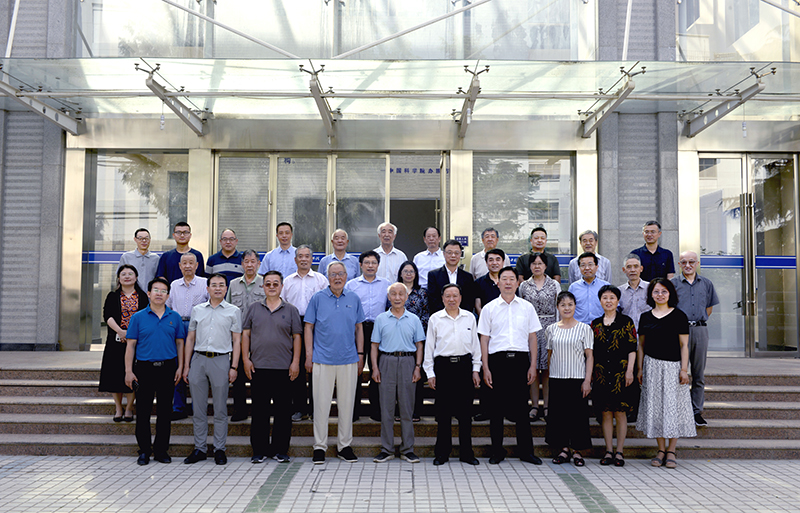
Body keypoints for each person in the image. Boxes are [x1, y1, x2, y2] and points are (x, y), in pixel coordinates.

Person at [478, 266, 543, 465]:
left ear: (517, 283)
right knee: (496, 409)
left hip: (521, 361)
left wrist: (533, 365)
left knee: (522, 409)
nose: (507, 282)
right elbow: (484, 339)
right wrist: (485, 367)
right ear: (498, 283)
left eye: (511, 279)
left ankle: (526, 452)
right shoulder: (489, 308)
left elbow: (532, 338)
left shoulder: (526, 307)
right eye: (504, 279)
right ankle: (497, 451)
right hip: (497, 361)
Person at [304, 261, 365, 464]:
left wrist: (360, 354)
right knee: (321, 405)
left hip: (348, 358)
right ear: (327, 277)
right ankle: (319, 446)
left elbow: (359, 328)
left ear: (346, 276)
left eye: (340, 274)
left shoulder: (354, 298)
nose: (337, 277)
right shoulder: (318, 298)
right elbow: (308, 327)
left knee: (347, 405)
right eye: (333, 274)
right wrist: (309, 355)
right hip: (322, 359)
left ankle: (344, 446)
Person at [124, 277, 186, 466]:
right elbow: (130, 345)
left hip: (168, 368)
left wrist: (180, 367)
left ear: (168, 295)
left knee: (165, 412)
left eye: (163, 291)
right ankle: (144, 450)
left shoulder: (174, 317)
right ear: (149, 293)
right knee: (143, 412)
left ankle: (161, 450)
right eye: (156, 290)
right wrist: (128, 371)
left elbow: (180, 344)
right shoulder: (138, 317)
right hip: (144, 369)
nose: (159, 294)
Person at [182, 273, 242, 466]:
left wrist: (234, 366)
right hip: (198, 360)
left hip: (221, 360)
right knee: (198, 409)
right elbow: (190, 338)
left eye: (221, 285)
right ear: (207, 289)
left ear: (226, 289)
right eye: (214, 285)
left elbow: (237, 340)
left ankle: (219, 449)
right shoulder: (197, 310)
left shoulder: (233, 311)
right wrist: (186, 365)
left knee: (220, 408)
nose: (218, 288)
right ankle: (199, 448)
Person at [242, 271, 302, 464]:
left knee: (283, 412)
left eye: (276, 283)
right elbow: (245, 335)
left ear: (282, 286)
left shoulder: (291, 310)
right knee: (259, 411)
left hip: (284, 368)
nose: (272, 287)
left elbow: (297, 337)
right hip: (258, 367)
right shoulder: (253, 308)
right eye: (268, 283)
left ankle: (280, 450)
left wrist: (295, 362)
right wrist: (245, 359)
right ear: (263, 287)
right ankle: (259, 450)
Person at [636, 278, 696, 469]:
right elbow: (641, 345)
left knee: (672, 407)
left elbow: (684, 345)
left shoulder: (679, 316)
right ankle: (660, 449)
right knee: (656, 408)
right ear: (651, 294)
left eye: (664, 291)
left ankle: (671, 450)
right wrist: (640, 369)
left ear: (670, 294)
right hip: (651, 366)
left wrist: (684, 370)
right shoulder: (645, 317)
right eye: (656, 291)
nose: (660, 295)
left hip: (673, 367)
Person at [424, 283, 481, 466]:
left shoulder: (469, 318)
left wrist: (476, 369)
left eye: (455, 295)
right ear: (442, 298)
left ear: (461, 298)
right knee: (443, 413)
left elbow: (475, 346)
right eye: (448, 296)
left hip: (464, 367)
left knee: (465, 414)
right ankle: (442, 453)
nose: (451, 299)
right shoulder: (435, 319)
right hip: (443, 368)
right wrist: (430, 373)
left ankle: (466, 453)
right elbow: (429, 347)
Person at [371, 283, 426, 463]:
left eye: (401, 294)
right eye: (393, 294)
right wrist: (375, 368)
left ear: (406, 297)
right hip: (386, 361)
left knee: (407, 408)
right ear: (388, 297)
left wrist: (417, 367)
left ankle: (407, 449)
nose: (397, 297)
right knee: (386, 408)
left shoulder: (414, 319)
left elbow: (419, 345)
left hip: (408, 362)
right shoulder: (381, 319)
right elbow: (374, 345)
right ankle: (386, 449)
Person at [590, 285, 637, 467]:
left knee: (620, 413)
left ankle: (619, 451)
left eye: (612, 298)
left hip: (621, 374)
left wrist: (630, 370)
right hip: (601, 374)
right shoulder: (595, 324)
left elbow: (632, 348)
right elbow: (591, 352)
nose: (608, 301)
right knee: (605, 413)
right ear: (600, 301)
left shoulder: (626, 322)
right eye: (605, 298)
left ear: (618, 301)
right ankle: (609, 450)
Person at [545, 291, 593, 467]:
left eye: (570, 304)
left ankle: (578, 451)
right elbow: (550, 355)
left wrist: (587, 380)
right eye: (563, 305)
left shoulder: (584, 329)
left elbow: (589, 356)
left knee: (578, 417)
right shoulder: (551, 329)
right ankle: (563, 449)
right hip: (557, 378)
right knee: (559, 416)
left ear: (575, 306)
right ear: (557, 307)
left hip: (577, 378)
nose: (567, 308)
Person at [671, 251, 719, 427]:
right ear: (679, 264)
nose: (688, 265)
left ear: (697, 263)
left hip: (699, 331)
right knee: (678, 372)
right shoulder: (673, 284)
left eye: (691, 262)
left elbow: (709, 308)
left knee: (698, 374)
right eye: (684, 262)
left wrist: (696, 321)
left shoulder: (706, 283)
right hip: (678, 332)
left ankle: (696, 411)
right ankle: (679, 410)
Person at [282, 245, 329, 422]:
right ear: (295, 260)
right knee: (297, 368)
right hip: (293, 326)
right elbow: (283, 304)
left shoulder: (321, 280)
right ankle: (299, 408)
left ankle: (317, 409)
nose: (303, 259)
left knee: (317, 368)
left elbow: (327, 303)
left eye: (307, 256)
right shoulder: (288, 281)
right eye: (300, 256)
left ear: (312, 259)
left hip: (317, 326)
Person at [99, 264, 149, 422]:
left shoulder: (143, 296)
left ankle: (129, 408)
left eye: (130, 273)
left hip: (137, 342)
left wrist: (133, 334)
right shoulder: (112, 296)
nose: (127, 276)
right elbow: (107, 315)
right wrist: (120, 331)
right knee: (115, 374)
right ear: (119, 278)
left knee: (134, 374)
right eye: (123, 274)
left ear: (136, 277)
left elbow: (146, 317)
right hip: (116, 340)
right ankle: (118, 408)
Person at [345, 251, 390, 420]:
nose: (370, 266)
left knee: (376, 369)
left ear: (378, 265)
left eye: (374, 263)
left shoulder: (386, 284)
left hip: (379, 329)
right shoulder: (351, 285)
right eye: (367, 263)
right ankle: (353, 411)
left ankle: (376, 410)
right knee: (354, 369)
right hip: (357, 329)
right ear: (360, 265)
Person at [165, 253, 209, 420]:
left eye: (191, 263)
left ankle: (198, 406)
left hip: (198, 327)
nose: (188, 266)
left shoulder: (205, 283)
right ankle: (179, 407)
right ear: (180, 266)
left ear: (197, 265)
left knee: (197, 367)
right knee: (178, 365)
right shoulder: (174, 285)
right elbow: (168, 307)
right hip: (177, 326)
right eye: (185, 263)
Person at [518, 252, 560, 422]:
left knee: (548, 370)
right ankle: (535, 406)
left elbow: (558, 309)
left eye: (540, 263)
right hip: (530, 331)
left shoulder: (554, 284)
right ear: (529, 266)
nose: (537, 266)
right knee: (533, 369)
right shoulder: (524, 286)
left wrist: (557, 330)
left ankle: (548, 406)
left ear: (545, 266)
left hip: (550, 328)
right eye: (534, 263)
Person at [226, 249, 267, 422]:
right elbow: (227, 309)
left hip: (259, 337)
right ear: (242, 264)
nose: (250, 265)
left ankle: (259, 411)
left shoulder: (265, 283)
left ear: (258, 263)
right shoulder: (233, 284)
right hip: (238, 337)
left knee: (259, 375)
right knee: (238, 376)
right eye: (246, 262)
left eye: (253, 261)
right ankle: (240, 411)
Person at [394, 261, 429, 420]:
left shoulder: (422, 293)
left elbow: (426, 314)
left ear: (416, 274)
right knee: (398, 376)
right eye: (405, 271)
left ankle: (416, 411)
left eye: (411, 271)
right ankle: (399, 410)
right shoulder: (394, 291)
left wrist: (415, 331)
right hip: (396, 338)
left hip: (416, 338)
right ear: (400, 273)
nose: (408, 274)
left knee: (416, 373)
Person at [427, 239, 476, 315]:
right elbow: (433, 300)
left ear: (460, 254)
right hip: (440, 316)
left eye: (456, 253)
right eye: (449, 253)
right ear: (444, 254)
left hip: (462, 317)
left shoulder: (468, 277)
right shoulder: (434, 275)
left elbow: (469, 300)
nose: (453, 256)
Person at [568, 252, 610, 324]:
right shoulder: (573, 287)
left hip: (601, 326)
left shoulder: (605, 286)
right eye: (583, 265)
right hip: (579, 326)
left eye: (590, 264)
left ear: (597, 267)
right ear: (579, 268)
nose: (587, 268)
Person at [619, 253, 650, 332]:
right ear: (624, 270)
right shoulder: (619, 291)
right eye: (629, 267)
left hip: (647, 332)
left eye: (636, 266)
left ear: (641, 269)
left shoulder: (650, 288)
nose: (632, 270)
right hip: (626, 333)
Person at [474, 248, 505, 316]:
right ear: (486, 263)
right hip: (486, 319)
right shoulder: (478, 283)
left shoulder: (509, 282)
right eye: (491, 260)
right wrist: (486, 319)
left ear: (503, 262)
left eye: (498, 260)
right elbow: (478, 307)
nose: (494, 263)